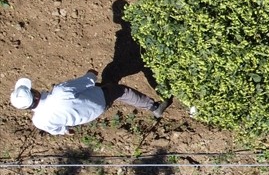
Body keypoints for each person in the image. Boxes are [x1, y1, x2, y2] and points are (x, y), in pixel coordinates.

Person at [10, 71, 169, 136]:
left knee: (100, 89)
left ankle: (106, 88)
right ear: (35, 94)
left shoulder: (39, 121)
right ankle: (154, 107)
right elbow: (88, 80)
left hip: (89, 115)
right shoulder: (59, 92)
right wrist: (91, 73)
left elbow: (59, 130)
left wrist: (67, 131)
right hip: (98, 99)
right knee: (122, 91)